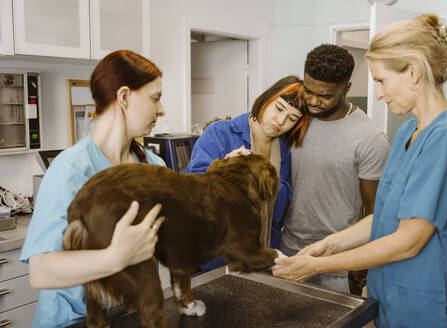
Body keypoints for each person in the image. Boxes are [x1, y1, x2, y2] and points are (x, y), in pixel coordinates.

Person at [273, 13, 447, 328]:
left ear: (413, 71)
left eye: (381, 80)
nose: (377, 94)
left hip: (432, 304)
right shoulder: (407, 133)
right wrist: (328, 245)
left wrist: (318, 267)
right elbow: (384, 216)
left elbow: (408, 241)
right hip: (393, 297)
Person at [20, 50, 167, 328]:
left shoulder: (153, 165)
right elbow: (40, 271)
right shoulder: (70, 170)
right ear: (124, 97)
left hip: (130, 316)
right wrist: (115, 258)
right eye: (155, 98)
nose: (162, 110)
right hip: (73, 322)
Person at [278, 44, 390, 294]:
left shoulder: (370, 138)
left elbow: (375, 210)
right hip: (287, 253)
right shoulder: (294, 120)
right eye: (308, 91)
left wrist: (360, 271)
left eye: (325, 95)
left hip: (337, 265)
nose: (314, 101)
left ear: (346, 89)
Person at [187, 75, 308, 272]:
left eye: (292, 119)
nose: (280, 121)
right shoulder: (220, 133)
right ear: (266, 99)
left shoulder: (286, 151)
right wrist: (224, 169)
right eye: (278, 109)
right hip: (214, 260)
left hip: (262, 258)